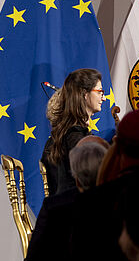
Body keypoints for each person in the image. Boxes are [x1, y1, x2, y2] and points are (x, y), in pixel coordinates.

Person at [41, 68, 104, 196]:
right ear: (84, 94)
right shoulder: (77, 139)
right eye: (99, 92)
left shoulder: (60, 135)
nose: (104, 98)